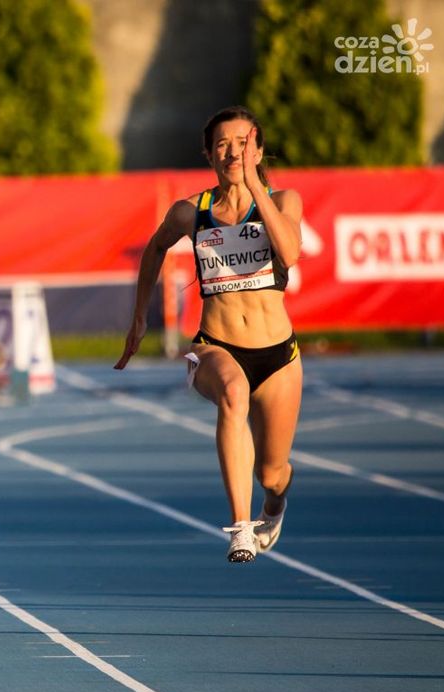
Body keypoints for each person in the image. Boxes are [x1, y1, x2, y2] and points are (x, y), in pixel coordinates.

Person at [115, 105, 303, 563]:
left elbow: (291, 254)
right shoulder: (191, 213)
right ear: (208, 154)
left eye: (242, 144)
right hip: (215, 345)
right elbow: (155, 248)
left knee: (272, 472)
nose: (232, 153)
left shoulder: (282, 202)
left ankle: (272, 507)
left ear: (258, 149)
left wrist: (256, 185)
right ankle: (240, 528)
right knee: (233, 393)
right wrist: (139, 317)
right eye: (222, 145)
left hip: (278, 355)